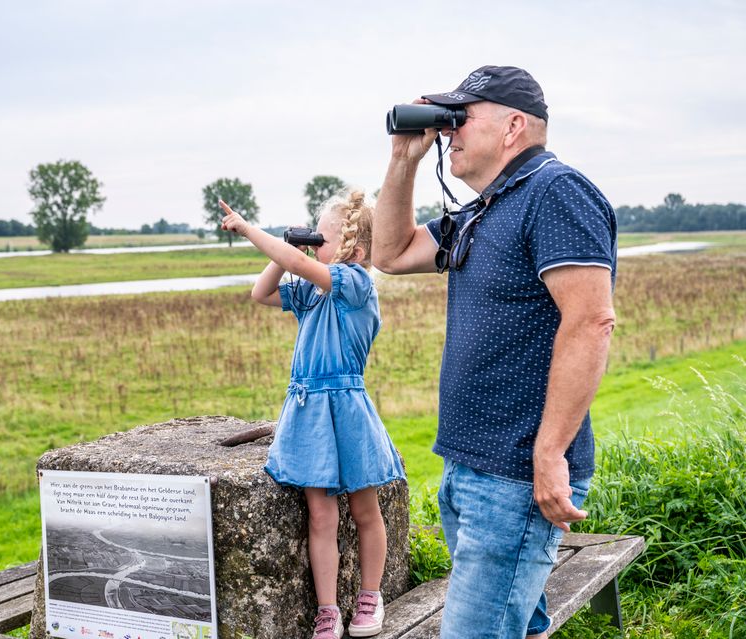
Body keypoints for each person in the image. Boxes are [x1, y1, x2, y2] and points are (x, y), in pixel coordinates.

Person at [373, 65, 617, 638]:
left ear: (512, 126)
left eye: (461, 117)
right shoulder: (488, 207)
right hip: (470, 462)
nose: (450, 131)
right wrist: (403, 159)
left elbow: (590, 320)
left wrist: (550, 453)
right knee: (519, 622)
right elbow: (391, 252)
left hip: (515, 472)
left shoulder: (555, 193)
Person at [220, 192, 406, 639]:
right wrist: (291, 250)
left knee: (365, 510)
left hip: (346, 408)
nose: (311, 240)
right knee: (320, 516)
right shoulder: (311, 293)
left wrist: (250, 230)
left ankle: (369, 597)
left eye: (321, 235)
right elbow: (260, 292)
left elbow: (305, 266)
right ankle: (327, 611)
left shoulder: (356, 282)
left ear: (355, 251)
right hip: (308, 413)